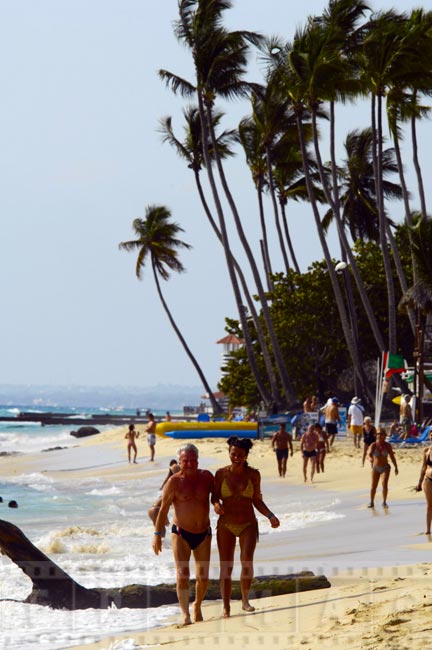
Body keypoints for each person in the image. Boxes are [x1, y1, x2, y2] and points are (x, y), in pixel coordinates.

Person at [212, 436, 280, 618]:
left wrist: (270, 515)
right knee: (226, 566)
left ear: (246, 455)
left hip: (248, 523)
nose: (236, 457)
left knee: (246, 561)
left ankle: (244, 600)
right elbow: (214, 496)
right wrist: (216, 505)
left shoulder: (253, 475)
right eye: (233, 454)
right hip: (225, 524)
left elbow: (257, 500)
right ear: (229, 453)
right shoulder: (220, 474)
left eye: (240, 455)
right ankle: (226, 607)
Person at [152, 443, 214, 626]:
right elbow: (163, 510)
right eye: (185, 460)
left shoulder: (206, 477)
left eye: (192, 460)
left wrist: (217, 504)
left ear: (197, 460)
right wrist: (157, 534)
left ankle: (197, 605)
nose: (189, 464)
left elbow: (217, 495)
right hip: (181, 533)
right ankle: (185, 613)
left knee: (203, 576)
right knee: (182, 574)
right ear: (179, 461)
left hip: (204, 532)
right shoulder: (174, 482)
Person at [148, 459, 181, 537]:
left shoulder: (166, 493)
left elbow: (167, 478)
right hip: (157, 510)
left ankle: (161, 546)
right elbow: (164, 507)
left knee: (160, 532)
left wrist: (162, 486)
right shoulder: (175, 467)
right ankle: (164, 547)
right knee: (161, 533)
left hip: (152, 510)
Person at [367, 427, 398, 508]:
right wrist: (370, 459)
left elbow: (392, 457)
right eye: (378, 434)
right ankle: (371, 502)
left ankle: (384, 502)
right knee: (373, 486)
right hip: (375, 468)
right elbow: (369, 454)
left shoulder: (388, 446)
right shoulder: (373, 445)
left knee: (384, 484)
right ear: (376, 435)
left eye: (381, 434)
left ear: (385, 435)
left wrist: (396, 467)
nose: (379, 435)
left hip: (385, 468)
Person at [415, 428, 432, 534]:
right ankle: (428, 530)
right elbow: (423, 467)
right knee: (429, 505)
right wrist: (419, 482)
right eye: (431, 434)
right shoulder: (426, 450)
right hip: (428, 480)